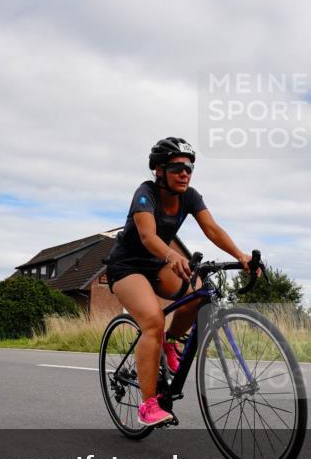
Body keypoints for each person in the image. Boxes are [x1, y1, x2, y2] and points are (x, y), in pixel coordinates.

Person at [103, 137, 255, 427]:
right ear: (159, 170)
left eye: (189, 167)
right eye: (177, 168)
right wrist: (172, 255)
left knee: (200, 294)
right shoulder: (145, 193)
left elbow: (211, 228)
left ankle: (171, 343)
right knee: (153, 321)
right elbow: (148, 236)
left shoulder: (190, 196)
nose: (185, 173)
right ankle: (148, 406)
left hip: (157, 264)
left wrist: (240, 255)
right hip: (127, 267)